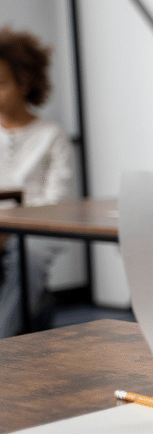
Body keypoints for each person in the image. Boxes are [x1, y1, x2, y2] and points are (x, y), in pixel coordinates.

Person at [0, 27, 73, 337]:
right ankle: (37, 310)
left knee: (27, 257)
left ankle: (5, 346)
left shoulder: (51, 136)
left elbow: (56, 201)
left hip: (37, 227)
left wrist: (10, 227)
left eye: (1, 84)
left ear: (24, 82)